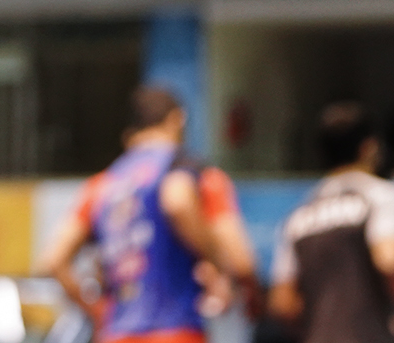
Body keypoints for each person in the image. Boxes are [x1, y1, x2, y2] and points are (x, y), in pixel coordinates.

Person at [39, 85, 258, 343]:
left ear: (130, 135)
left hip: (116, 333)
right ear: (177, 120)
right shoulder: (194, 172)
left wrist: (97, 311)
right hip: (176, 330)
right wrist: (219, 264)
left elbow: (52, 260)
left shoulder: (101, 185)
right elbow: (240, 260)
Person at [270, 102, 394, 343]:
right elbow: (391, 261)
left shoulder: (300, 215)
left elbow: (282, 303)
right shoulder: (382, 198)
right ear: (368, 148)